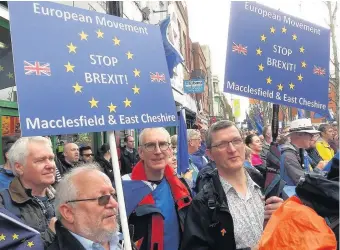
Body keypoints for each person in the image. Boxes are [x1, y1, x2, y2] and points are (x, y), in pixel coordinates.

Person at [181, 120, 283, 250]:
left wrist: (284, 215)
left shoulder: (267, 185)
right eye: (222, 144)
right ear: (210, 154)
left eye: (236, 141)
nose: (232, 149)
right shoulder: (203, 204)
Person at [123, 127, 191, 250]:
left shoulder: (182, 187)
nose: (158, 151)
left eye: (163, 144)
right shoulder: (124, 188)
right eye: (150, 145)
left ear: (170, 150)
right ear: (141, 152)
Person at [47, 164, 123, 250]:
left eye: (113, 195)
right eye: (102, 198)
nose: (114, 203)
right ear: (68, 212)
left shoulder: (123, 240)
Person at [0, 136, 57, 247]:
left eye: (51, 158)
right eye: (40, 160)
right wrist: (50, 235)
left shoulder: (66, 199)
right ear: (19, 167)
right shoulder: (3, 206)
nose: (50, 165)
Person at [281, 119, 327, 185]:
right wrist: (318, 168)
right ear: (299, 134)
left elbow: (313, 167)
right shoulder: (288, 155)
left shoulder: (302, 151)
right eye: (310, 134)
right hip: (293, 194)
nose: (313, 138)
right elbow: (302, 181)